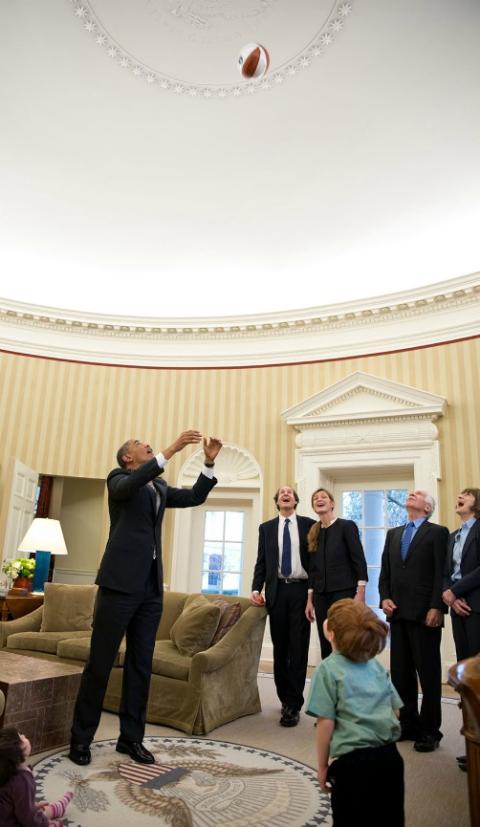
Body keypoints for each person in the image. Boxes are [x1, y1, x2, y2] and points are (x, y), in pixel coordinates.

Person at [69, 431, 222, 766]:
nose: (145, 443)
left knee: (141, 666)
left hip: (151, 590)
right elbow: (133, 483)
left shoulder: (161, 488)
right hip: (119, 585)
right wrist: (172, 449)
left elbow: (196, 496)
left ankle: (131, 739)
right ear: (128, 457)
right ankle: (80, 740)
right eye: (139, 443)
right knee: (100, 664)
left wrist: (209, 462)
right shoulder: (119, 480)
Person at [306, 599, 404, 827]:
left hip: (353, 765)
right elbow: (396, 711)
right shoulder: (377, 665)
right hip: (390, 759)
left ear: (331, 633)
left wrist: (322, 767)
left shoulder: (327, 669)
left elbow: (325, 723)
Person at [379, 489, 449, 753]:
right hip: (397, 613)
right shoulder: (393, 533)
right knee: (400, 674)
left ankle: (430, 731)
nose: (412, 494)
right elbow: (385, 570)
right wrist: (384, 597)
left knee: (428, 675)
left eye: (418, 494)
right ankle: (407, 724)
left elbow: (442, 571)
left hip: (425, 615)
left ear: (427, 508)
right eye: (410, 493)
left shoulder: (437, 532)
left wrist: (437, 606)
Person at [251, 485, 315, 727]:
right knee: (280, 649)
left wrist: (313, 595)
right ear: (277, 501)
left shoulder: (309, 525)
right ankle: (284, 697)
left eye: (290, 492)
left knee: (298, 649)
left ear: (295, 500)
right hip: (276, 592)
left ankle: (294, 704)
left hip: (301, 590)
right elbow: (262, 562)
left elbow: (315, 562)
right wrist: (256, 589)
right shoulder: (266, 528)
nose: (285, 494)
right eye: (281, 493)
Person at [442, 487, 480, 771]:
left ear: (476, 503)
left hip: (476, 606)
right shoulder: (453, 535)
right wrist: (450, 596)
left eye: (466, 495)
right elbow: (446, 572)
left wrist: (455, 591)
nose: (460, 497)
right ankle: (472, 743)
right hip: (458, 609)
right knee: (466, 676)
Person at [305, 488, 368, 660]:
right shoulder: (313, 532)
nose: (319, 499)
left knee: (343, 640)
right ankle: (329, 682)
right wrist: (310, 600)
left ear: (332, 504)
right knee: (326, 640)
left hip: (343, 592)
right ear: (313, 507)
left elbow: (359, 560)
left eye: (323, 496)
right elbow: (312, 569)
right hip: (320, 595)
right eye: (315, 498)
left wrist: (360, 593)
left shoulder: (346, 526)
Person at [0, 726, 73, 826]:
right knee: (37, 816)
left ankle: (56, 809)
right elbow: (27, 817)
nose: (24, 736)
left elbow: (10, 800)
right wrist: (45, 824)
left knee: (35, 811)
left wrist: (30, 805)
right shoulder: (21, 781)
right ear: (21, 750)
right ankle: (54, 810)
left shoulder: (5, 771)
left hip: (8, 815)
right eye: (21, 736)